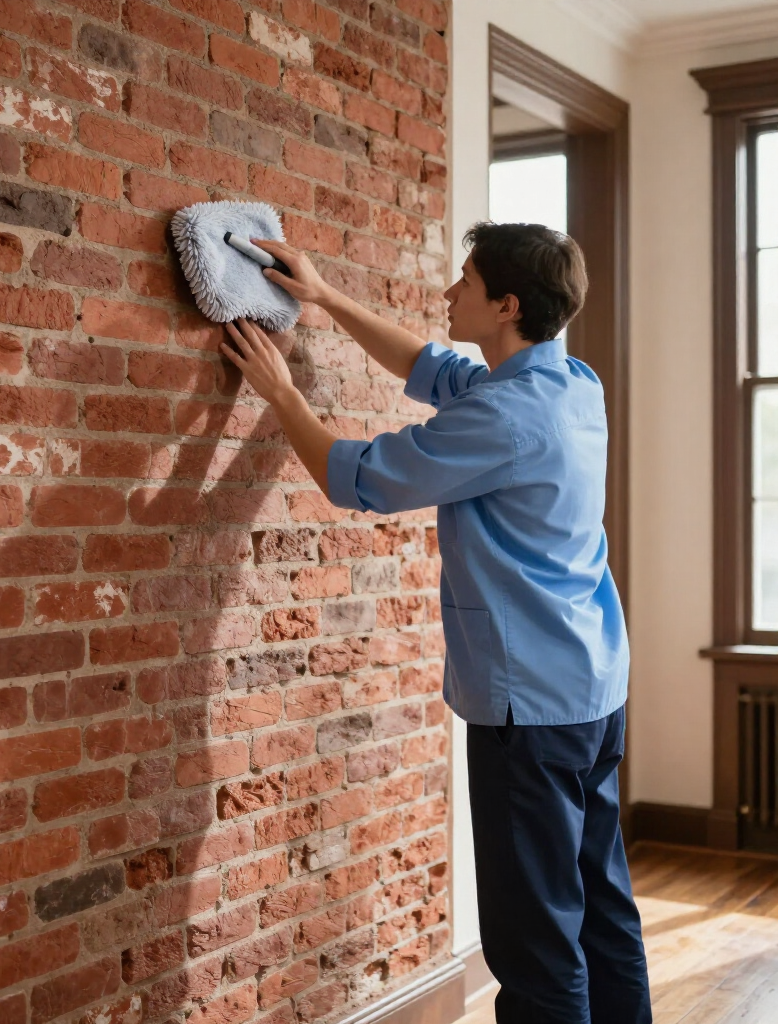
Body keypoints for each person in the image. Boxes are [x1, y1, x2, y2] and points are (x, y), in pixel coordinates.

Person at [220, 223, 652, 1024]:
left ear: (507, 305)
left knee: (534, 945)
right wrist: (324, 296)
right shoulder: (567, 382)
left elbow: (360, 480)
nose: (450, 293)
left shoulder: (506, 418)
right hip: (592, 688)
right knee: (600, 911)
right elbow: (430, 366)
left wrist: (280, 391)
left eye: (466, 283)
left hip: (531, 711)